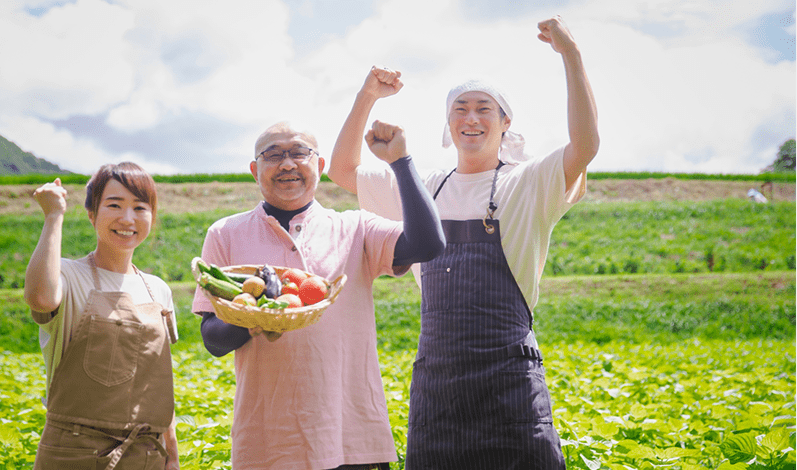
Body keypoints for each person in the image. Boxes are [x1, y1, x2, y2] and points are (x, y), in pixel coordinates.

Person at [328, 16, 599, 469]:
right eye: (461, 109)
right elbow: (342, 170)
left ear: (505, 121)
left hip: (510, 380)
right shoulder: (423, 186)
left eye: (483, 108)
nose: (471, 119)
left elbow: (585, 146)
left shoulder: (529, 183)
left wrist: (571, 54)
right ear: (448, 122)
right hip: (439, 384)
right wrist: (366, 97)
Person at [192, 120, 444, 469]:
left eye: (299, 153)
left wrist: (400, 162)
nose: (287, 164)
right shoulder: (225, 234)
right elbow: (213, 340)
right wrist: (255, 320)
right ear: (255, 170)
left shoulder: (356, 227)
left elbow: (429, 244)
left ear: (320, 166)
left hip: (353, 438)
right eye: (273, 155)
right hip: (267, 441)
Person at [24, 162, 180, 469]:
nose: (127, 218)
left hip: (146, 454)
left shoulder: (157, 290)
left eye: (140, 207)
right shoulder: (68, 275)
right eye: (114, 205)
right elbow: (40, 298)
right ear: (92, 214)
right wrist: (53, 215)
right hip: (74, 452)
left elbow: (159, 383)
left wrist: (171, 455)